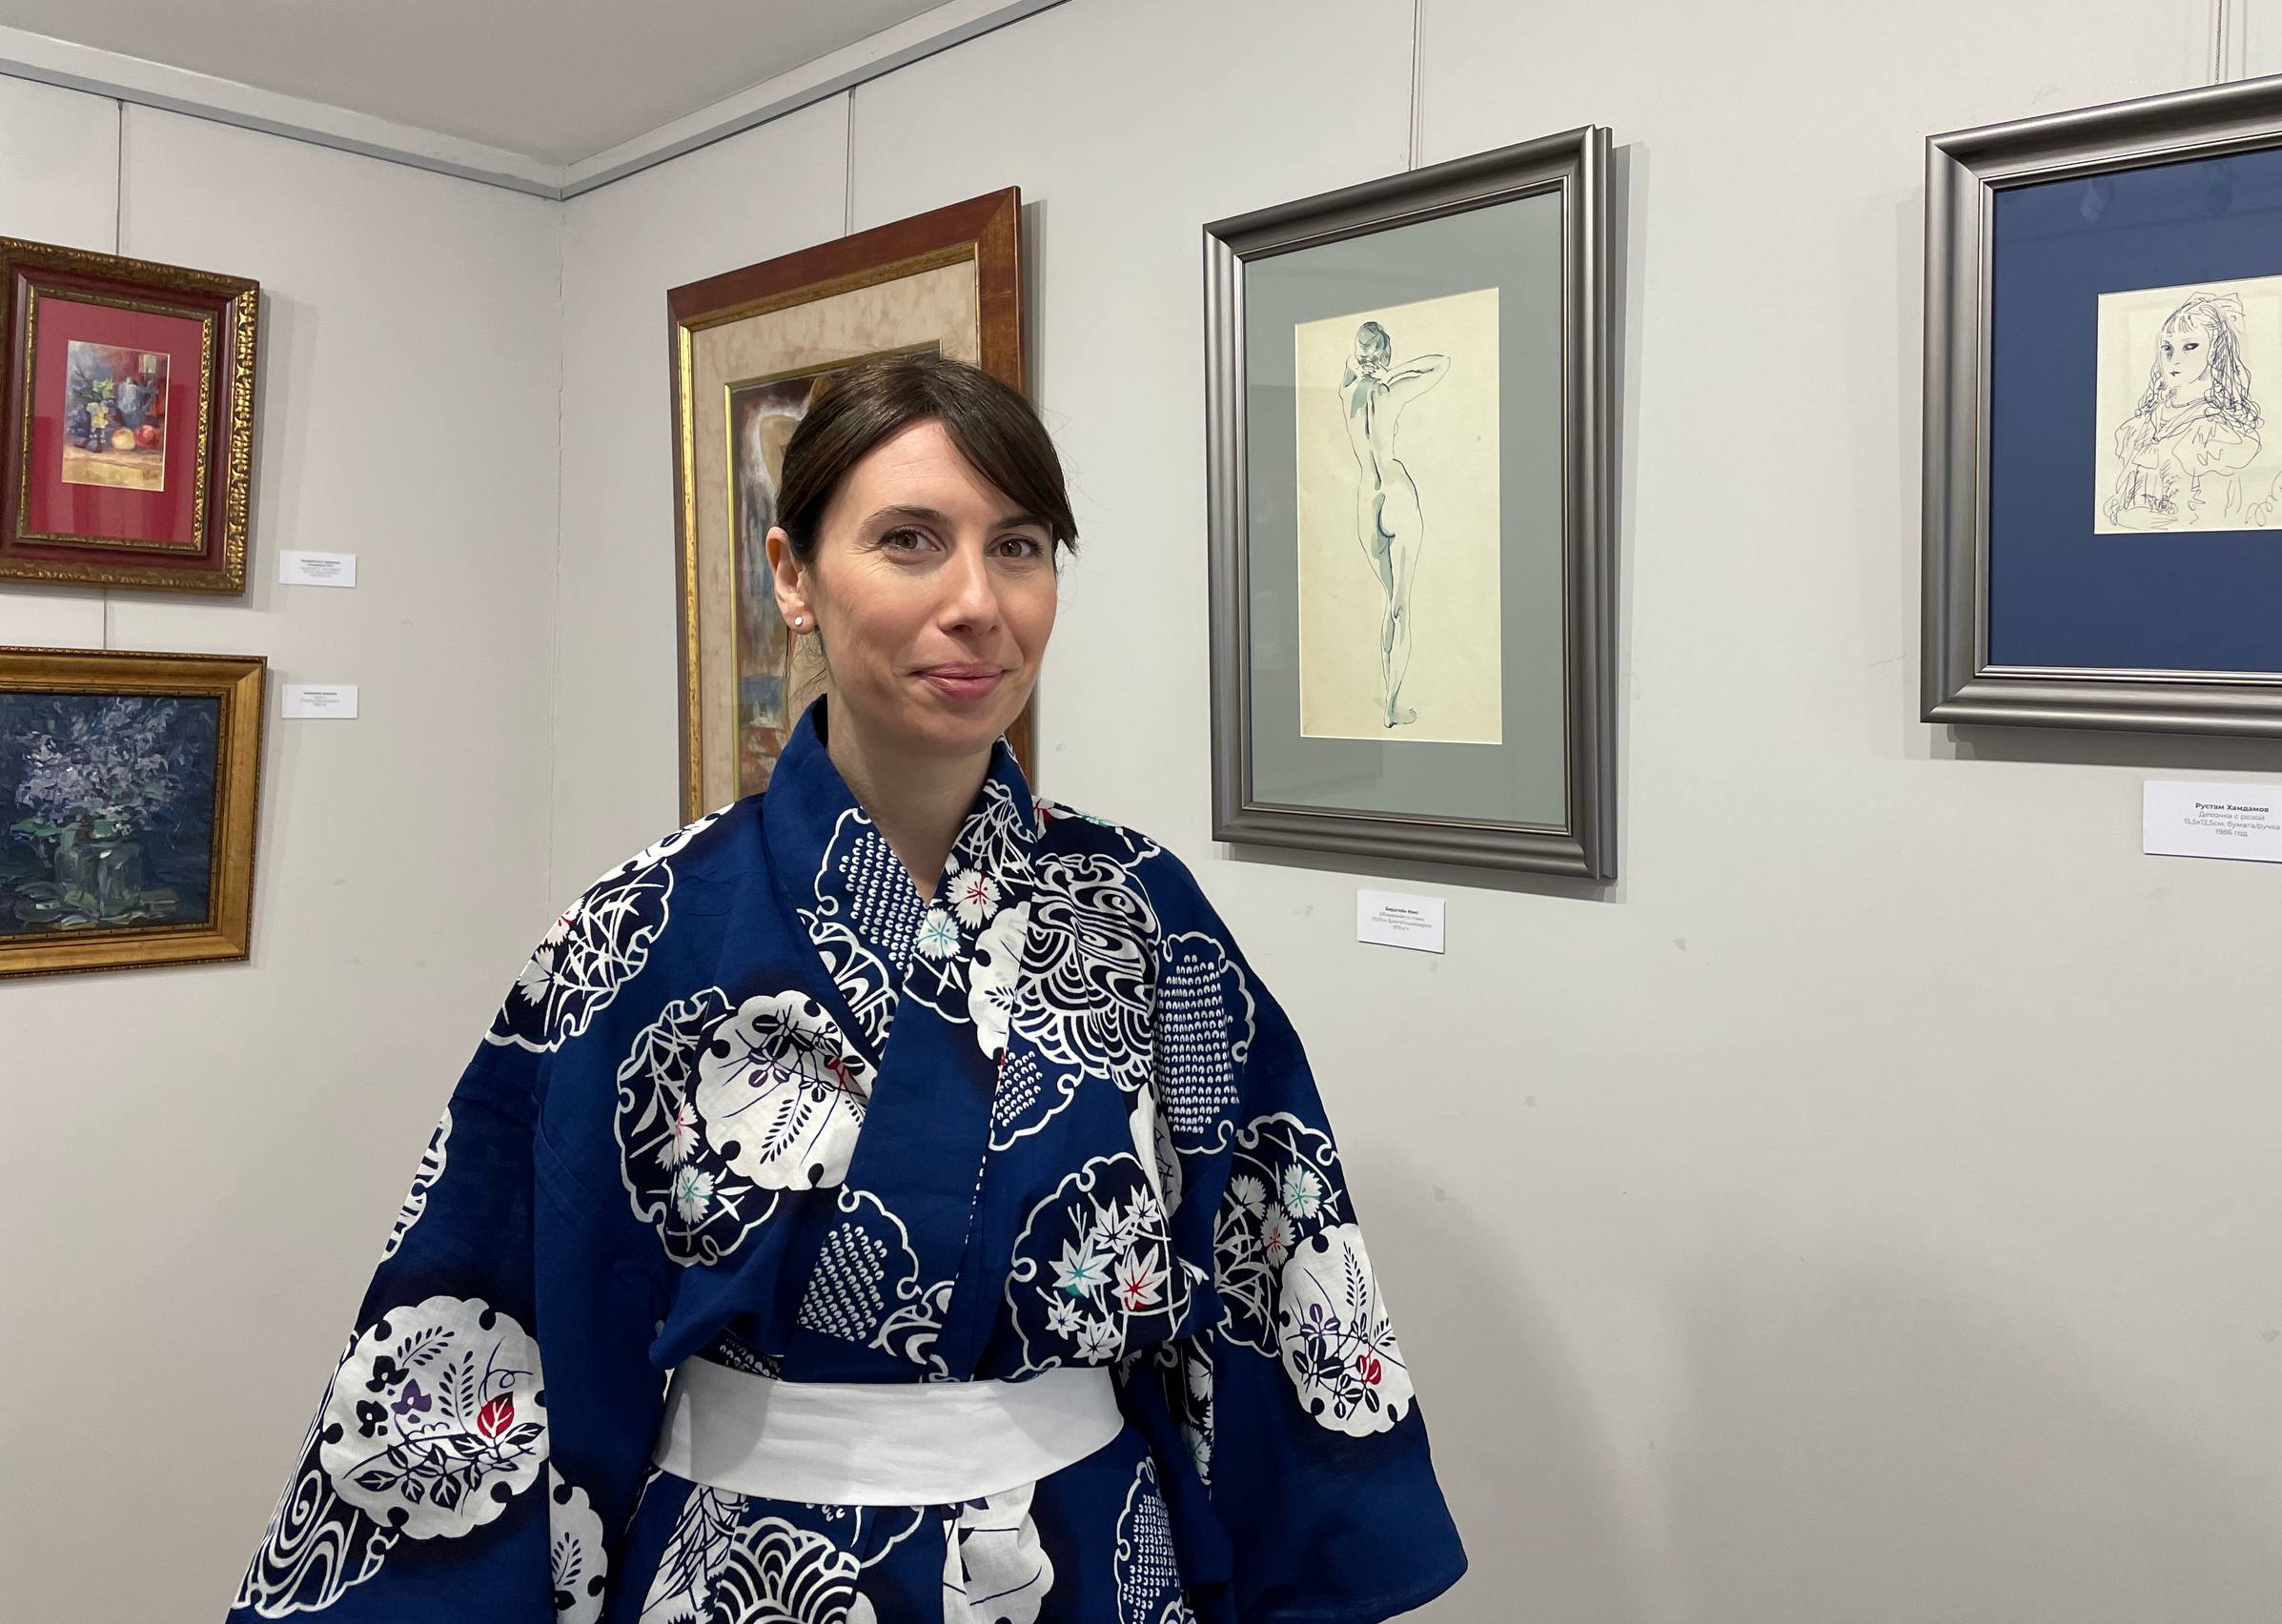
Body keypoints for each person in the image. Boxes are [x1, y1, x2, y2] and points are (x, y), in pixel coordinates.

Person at [228, 351, 1466, 1624]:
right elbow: (503, 1309)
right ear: (794, 576)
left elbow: (1269, 1256)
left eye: (1019, 547)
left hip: (1089, 1559)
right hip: (752, 1571)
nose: (976, 602)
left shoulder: (1142, 911)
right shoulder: (645, 924)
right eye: (909, 541)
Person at [1336, 323, 1449, 727]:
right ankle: (1392, 704)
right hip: (1396, 493)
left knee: (1390, 602)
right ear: (1383, 355)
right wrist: (1392, 371)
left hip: (1368, 500)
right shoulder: (1389, 391)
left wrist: (1363, 366)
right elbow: (1440, 363)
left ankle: (1390, 697)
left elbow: (1349, 368)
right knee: (1400, 606)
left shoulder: (1348, 391)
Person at [2103, 291, 2263, 529]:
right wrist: (2120, 516)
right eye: (2167, 347)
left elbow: (2215, 517)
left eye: (2190, 346)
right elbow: (2112, 498)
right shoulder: (2138, 427)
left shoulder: (2218, 431)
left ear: (2215, 351)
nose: (2174, 360)